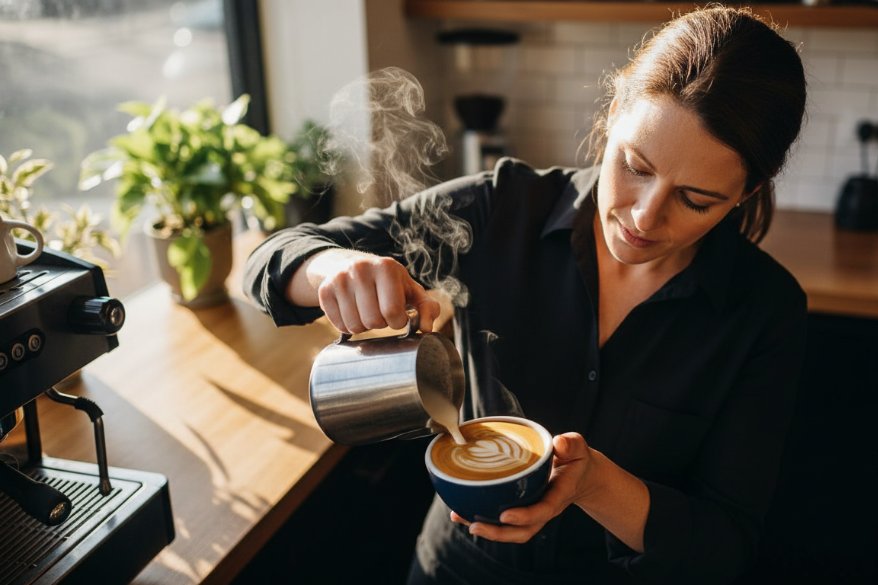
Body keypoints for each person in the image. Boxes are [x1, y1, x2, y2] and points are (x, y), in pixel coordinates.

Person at [244, 6, 807, 584]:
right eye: (635, 166)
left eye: (695, 200)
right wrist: (332, 266)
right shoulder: (503, 208)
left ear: (745, 192)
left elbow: (726, 546)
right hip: (457, 570)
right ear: (613, 115)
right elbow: (270, 259)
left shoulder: (764, 311)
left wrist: (594, 485)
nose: (644, 216)